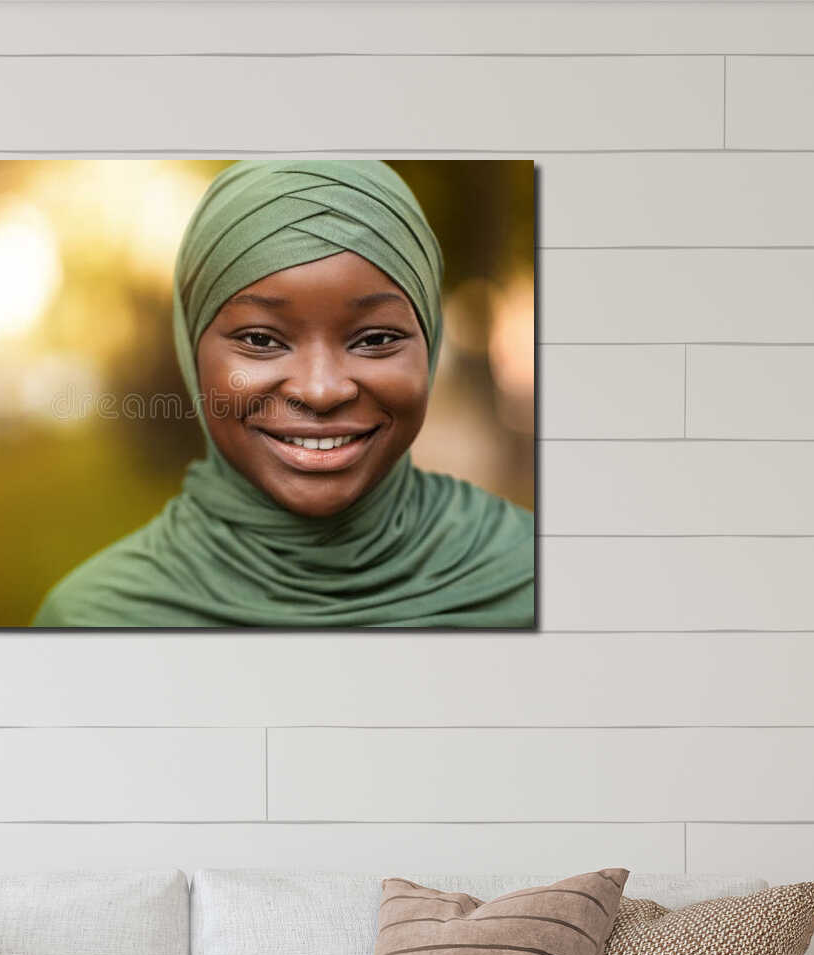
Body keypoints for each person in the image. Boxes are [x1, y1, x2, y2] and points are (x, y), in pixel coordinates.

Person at [33, 159, 534, 629]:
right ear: (192, 350)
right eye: (260, 340)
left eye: (376, 339)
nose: (320, 390)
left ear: (431, 342)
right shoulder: (98, 621)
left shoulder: (532, 579)